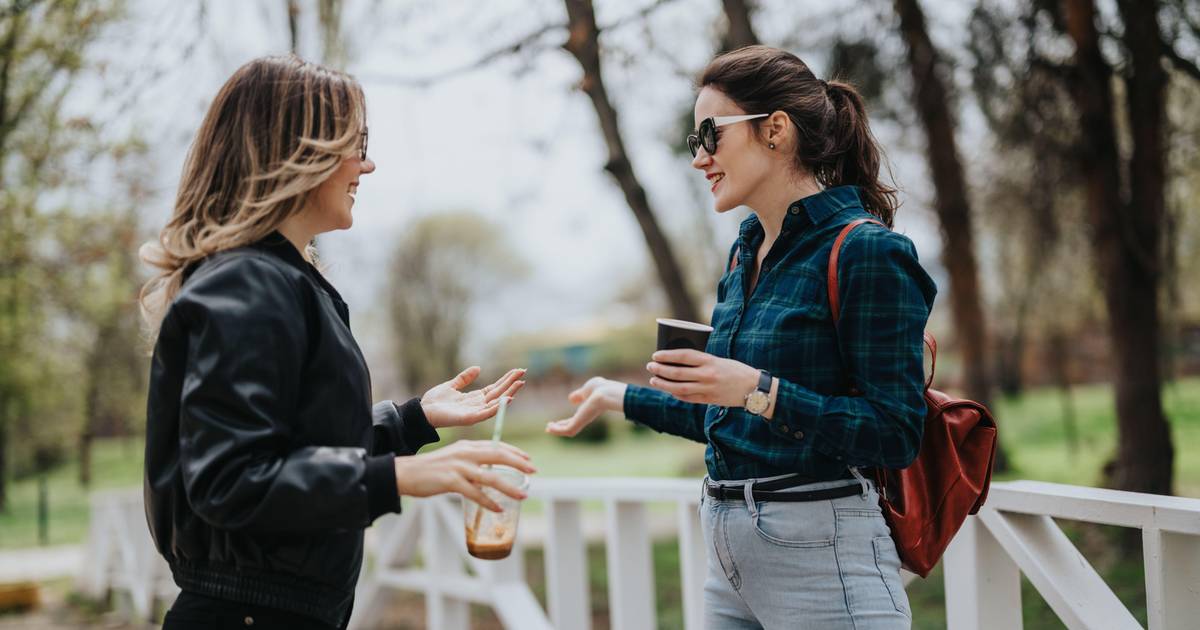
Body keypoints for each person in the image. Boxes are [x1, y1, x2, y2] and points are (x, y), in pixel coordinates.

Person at [139, 55, 536, 630]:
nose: (367, 165)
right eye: (356, 144)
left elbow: (296, 450)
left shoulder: (278, 280)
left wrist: (413, 420)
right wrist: (400, 477)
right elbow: (231, 480)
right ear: (298, 151)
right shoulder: (246, 283)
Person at [548, 45, 936, 629]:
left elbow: (896, 434)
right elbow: (727, 415)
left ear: (775, 129)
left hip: (822, 560)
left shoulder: (866, 251)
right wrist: (620, 397)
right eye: (693, 140)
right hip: (728, 559)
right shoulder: (744, 252)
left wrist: (760, 390)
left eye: (711, 134)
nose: (699, 157)